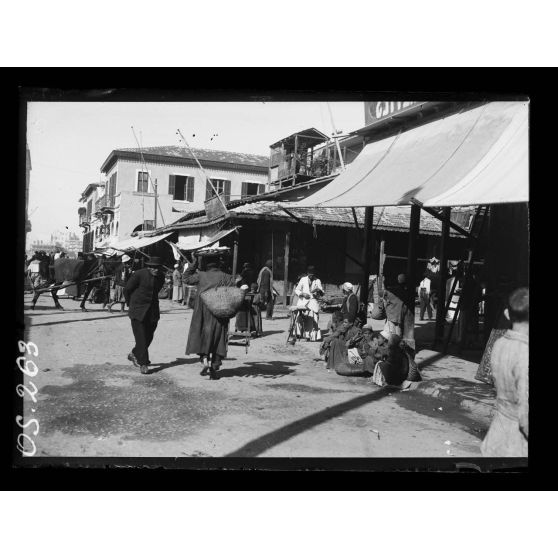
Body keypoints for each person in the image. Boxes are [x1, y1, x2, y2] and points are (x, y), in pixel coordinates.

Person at [481, 288, 528, 457]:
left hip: (496, 437)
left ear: (507, 314)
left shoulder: (500, 343)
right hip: (518, 446)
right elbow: (525, 417)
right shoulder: (525, 353)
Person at [184, 254, 237, 380]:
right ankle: (215, 365)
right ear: (219, 265)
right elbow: (233, 293)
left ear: (206, 265)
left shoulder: (201, 275)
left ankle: (204, 359)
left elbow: (186, 278)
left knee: (203, 333)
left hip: (203, 311)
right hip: (220, 312)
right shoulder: (227, 277)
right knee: (219, 336)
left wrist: (194, 263)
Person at [124, 256, 165, 375]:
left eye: (157, 268)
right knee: (141, 338)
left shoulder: (161, 276)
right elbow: (127, 289)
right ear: (148, 267)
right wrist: (130, 303)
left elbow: (156, 291)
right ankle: (144, 363)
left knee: (149, 336)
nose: (155, 270)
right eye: (153, 268)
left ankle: (134, 354)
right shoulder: (138, 274)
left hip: (152, 311)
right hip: (138, 310)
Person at [294, 265, 324, 341]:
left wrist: (318, 291)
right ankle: (299, 334)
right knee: (299, 317)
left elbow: (322, 292)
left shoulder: (318, 281)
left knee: (314, 319)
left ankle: (311, 336)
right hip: (303, 301)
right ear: (307, 273)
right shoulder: (303, 279)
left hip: (313, 301)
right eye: (310, 275)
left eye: (313, 275)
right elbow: (297, 290)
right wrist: (303, 294)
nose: (311, 276)